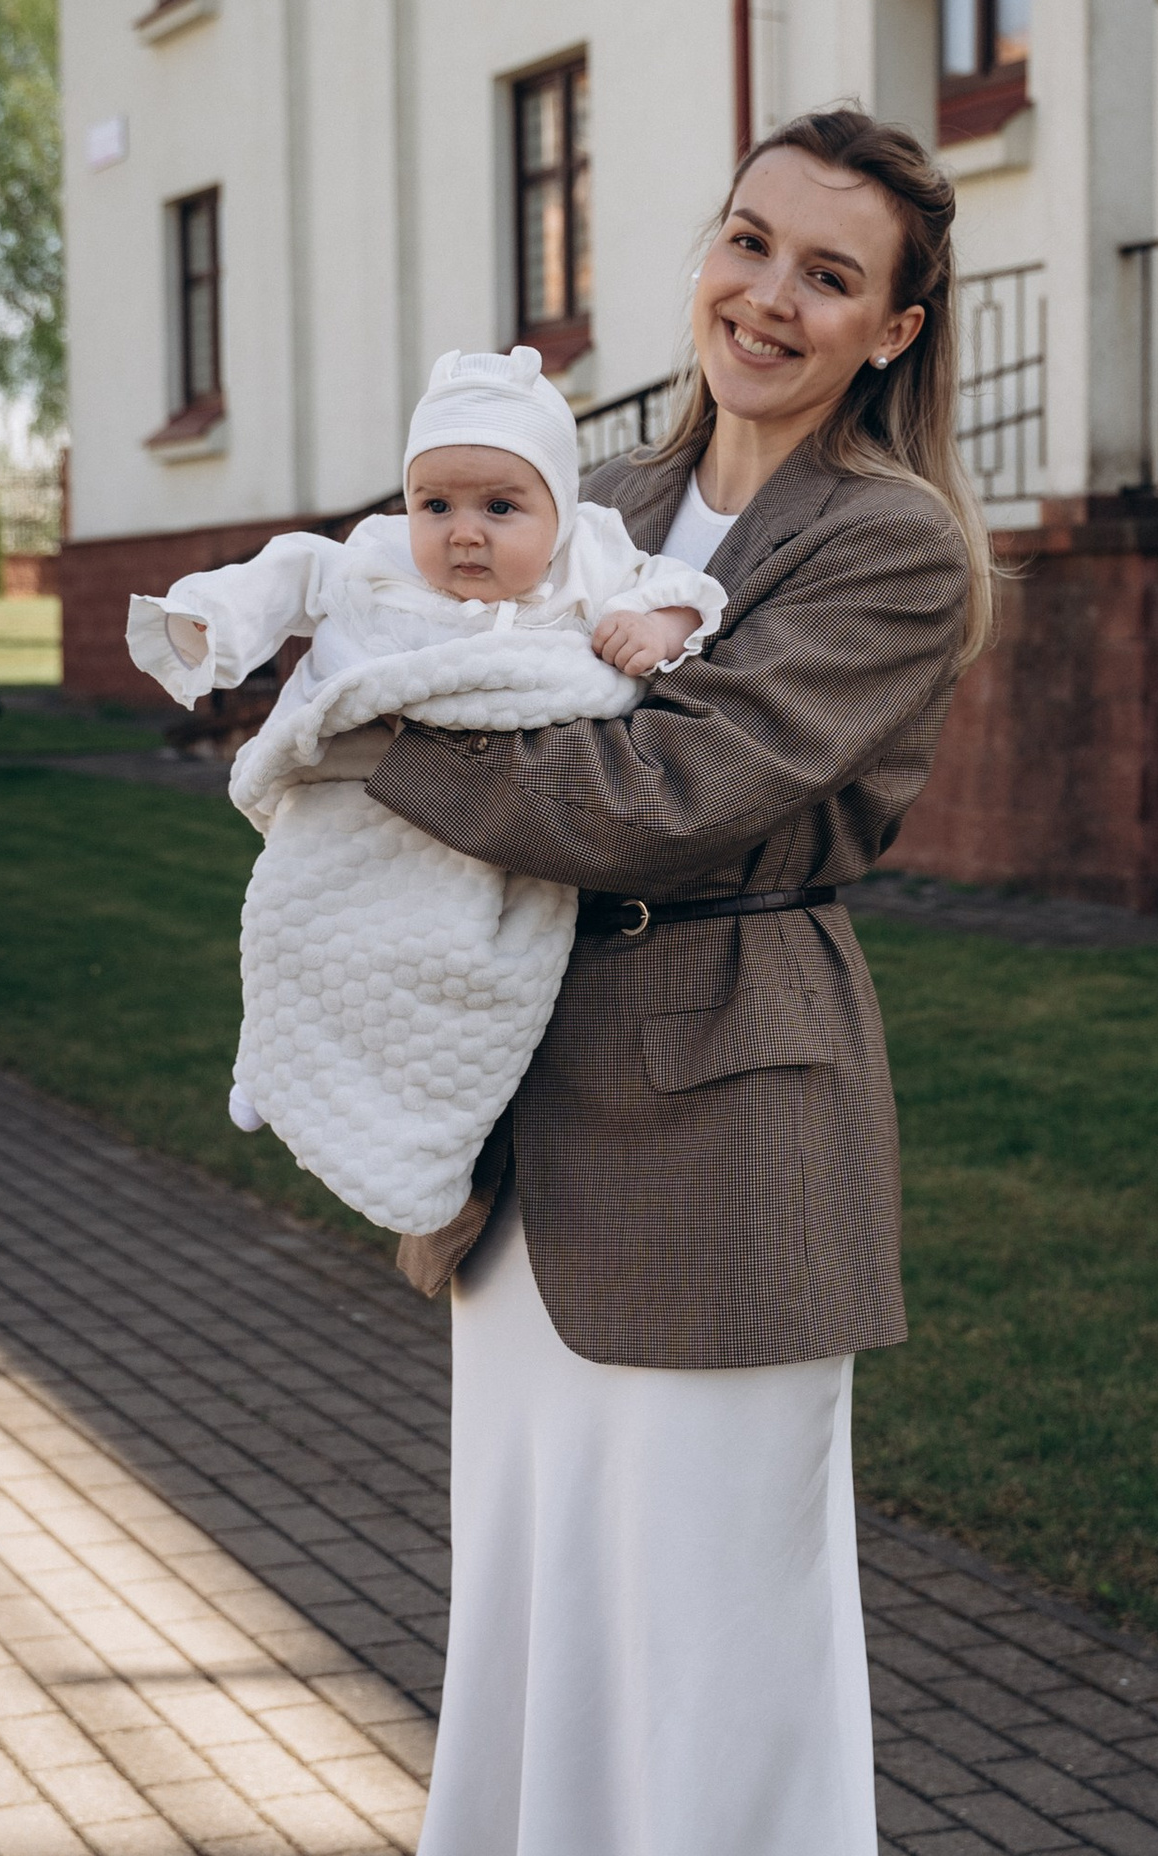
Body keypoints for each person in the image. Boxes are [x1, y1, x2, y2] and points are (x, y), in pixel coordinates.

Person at [372, 105, 992, 1856]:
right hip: (534, 1144)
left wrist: (363, 723)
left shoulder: (894, 546)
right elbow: (438, 629)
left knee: (731, 1701)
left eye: (830, 272)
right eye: (750, 239)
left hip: (737, 1142)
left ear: (891, 327)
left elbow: (649, 796)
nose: (768, 293)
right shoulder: (588, 489)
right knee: (558, 1676)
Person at [121, 350, 724, 1235]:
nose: (463, 532)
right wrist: (213, 618)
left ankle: (413, 1143)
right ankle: (273, 1063)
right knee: (289, 918)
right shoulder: (373, 555)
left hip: (494, 811)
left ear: (558, 513)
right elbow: (289, 572)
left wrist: (656, 623)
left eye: (500, 507)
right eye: (433, 506)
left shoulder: (589, 560)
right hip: (354, 803)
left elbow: (689, 592)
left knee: (463, 970)